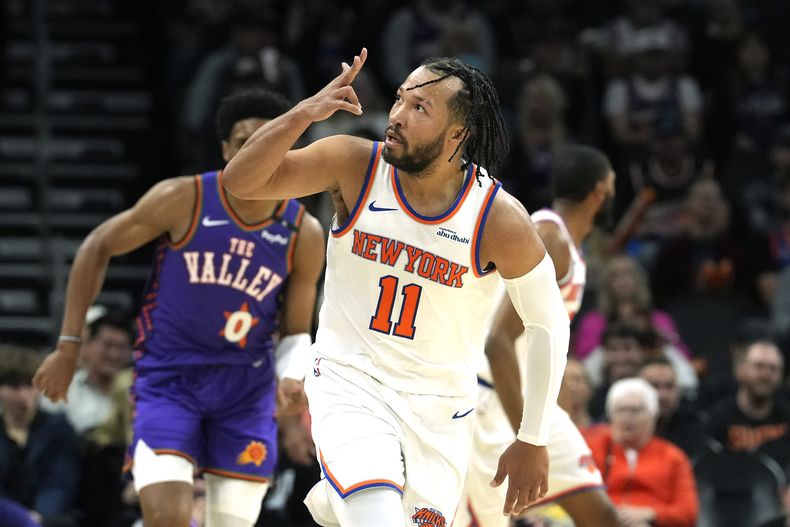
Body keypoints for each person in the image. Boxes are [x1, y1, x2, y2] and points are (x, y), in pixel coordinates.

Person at [222, 50, 570, 525]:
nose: (398, 116)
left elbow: (547, 322)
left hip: (441, 407)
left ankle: (336, 501)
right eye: (401, 100)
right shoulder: (354, 163)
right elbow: (241, 181)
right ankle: (353, 495)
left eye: (420, 108)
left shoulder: (497, 218)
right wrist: (305, 112)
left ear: (458, 135)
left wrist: (533, 436)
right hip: (351, 379)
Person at [32, 89, 326, 527]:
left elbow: (297, 331)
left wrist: (290, 377)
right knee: (167, 518)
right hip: (170, 380)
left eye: (270, 138)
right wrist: (69, 344)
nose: (257, 150)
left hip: (245, 391)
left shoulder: (304, 232)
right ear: (227, 150)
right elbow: (97, 246)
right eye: (244, 141)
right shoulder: (184, 198)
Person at [460, 145, 619, 527]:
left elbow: (544, 343)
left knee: (603, 516)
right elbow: (498, 342)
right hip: (497, 399)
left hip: (530, 405)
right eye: (613, 183)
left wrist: (553, 413)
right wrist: (526, 440)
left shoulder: (562, 240)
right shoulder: (551, 237)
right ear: (600, 190)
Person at [586, 378, 698, 527]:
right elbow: (578, 498)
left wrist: (652, 513)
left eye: (635, 410)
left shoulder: (673, 457)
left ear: (653, 415)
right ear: (610, 416)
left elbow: (688, 512)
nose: (627, 417)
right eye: (620, 410)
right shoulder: (591, 450)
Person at [0, 345, 81, 526]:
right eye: (13, 386)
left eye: (30, 386)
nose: (23, 396)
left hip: (48, 520)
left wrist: (36, 516)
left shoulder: (58, 428)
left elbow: (60, 482)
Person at [40, 310, 133, 435]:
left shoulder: (143, 394)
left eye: (122, 347)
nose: (114, 355)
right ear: (87, 344)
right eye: (108, 345)